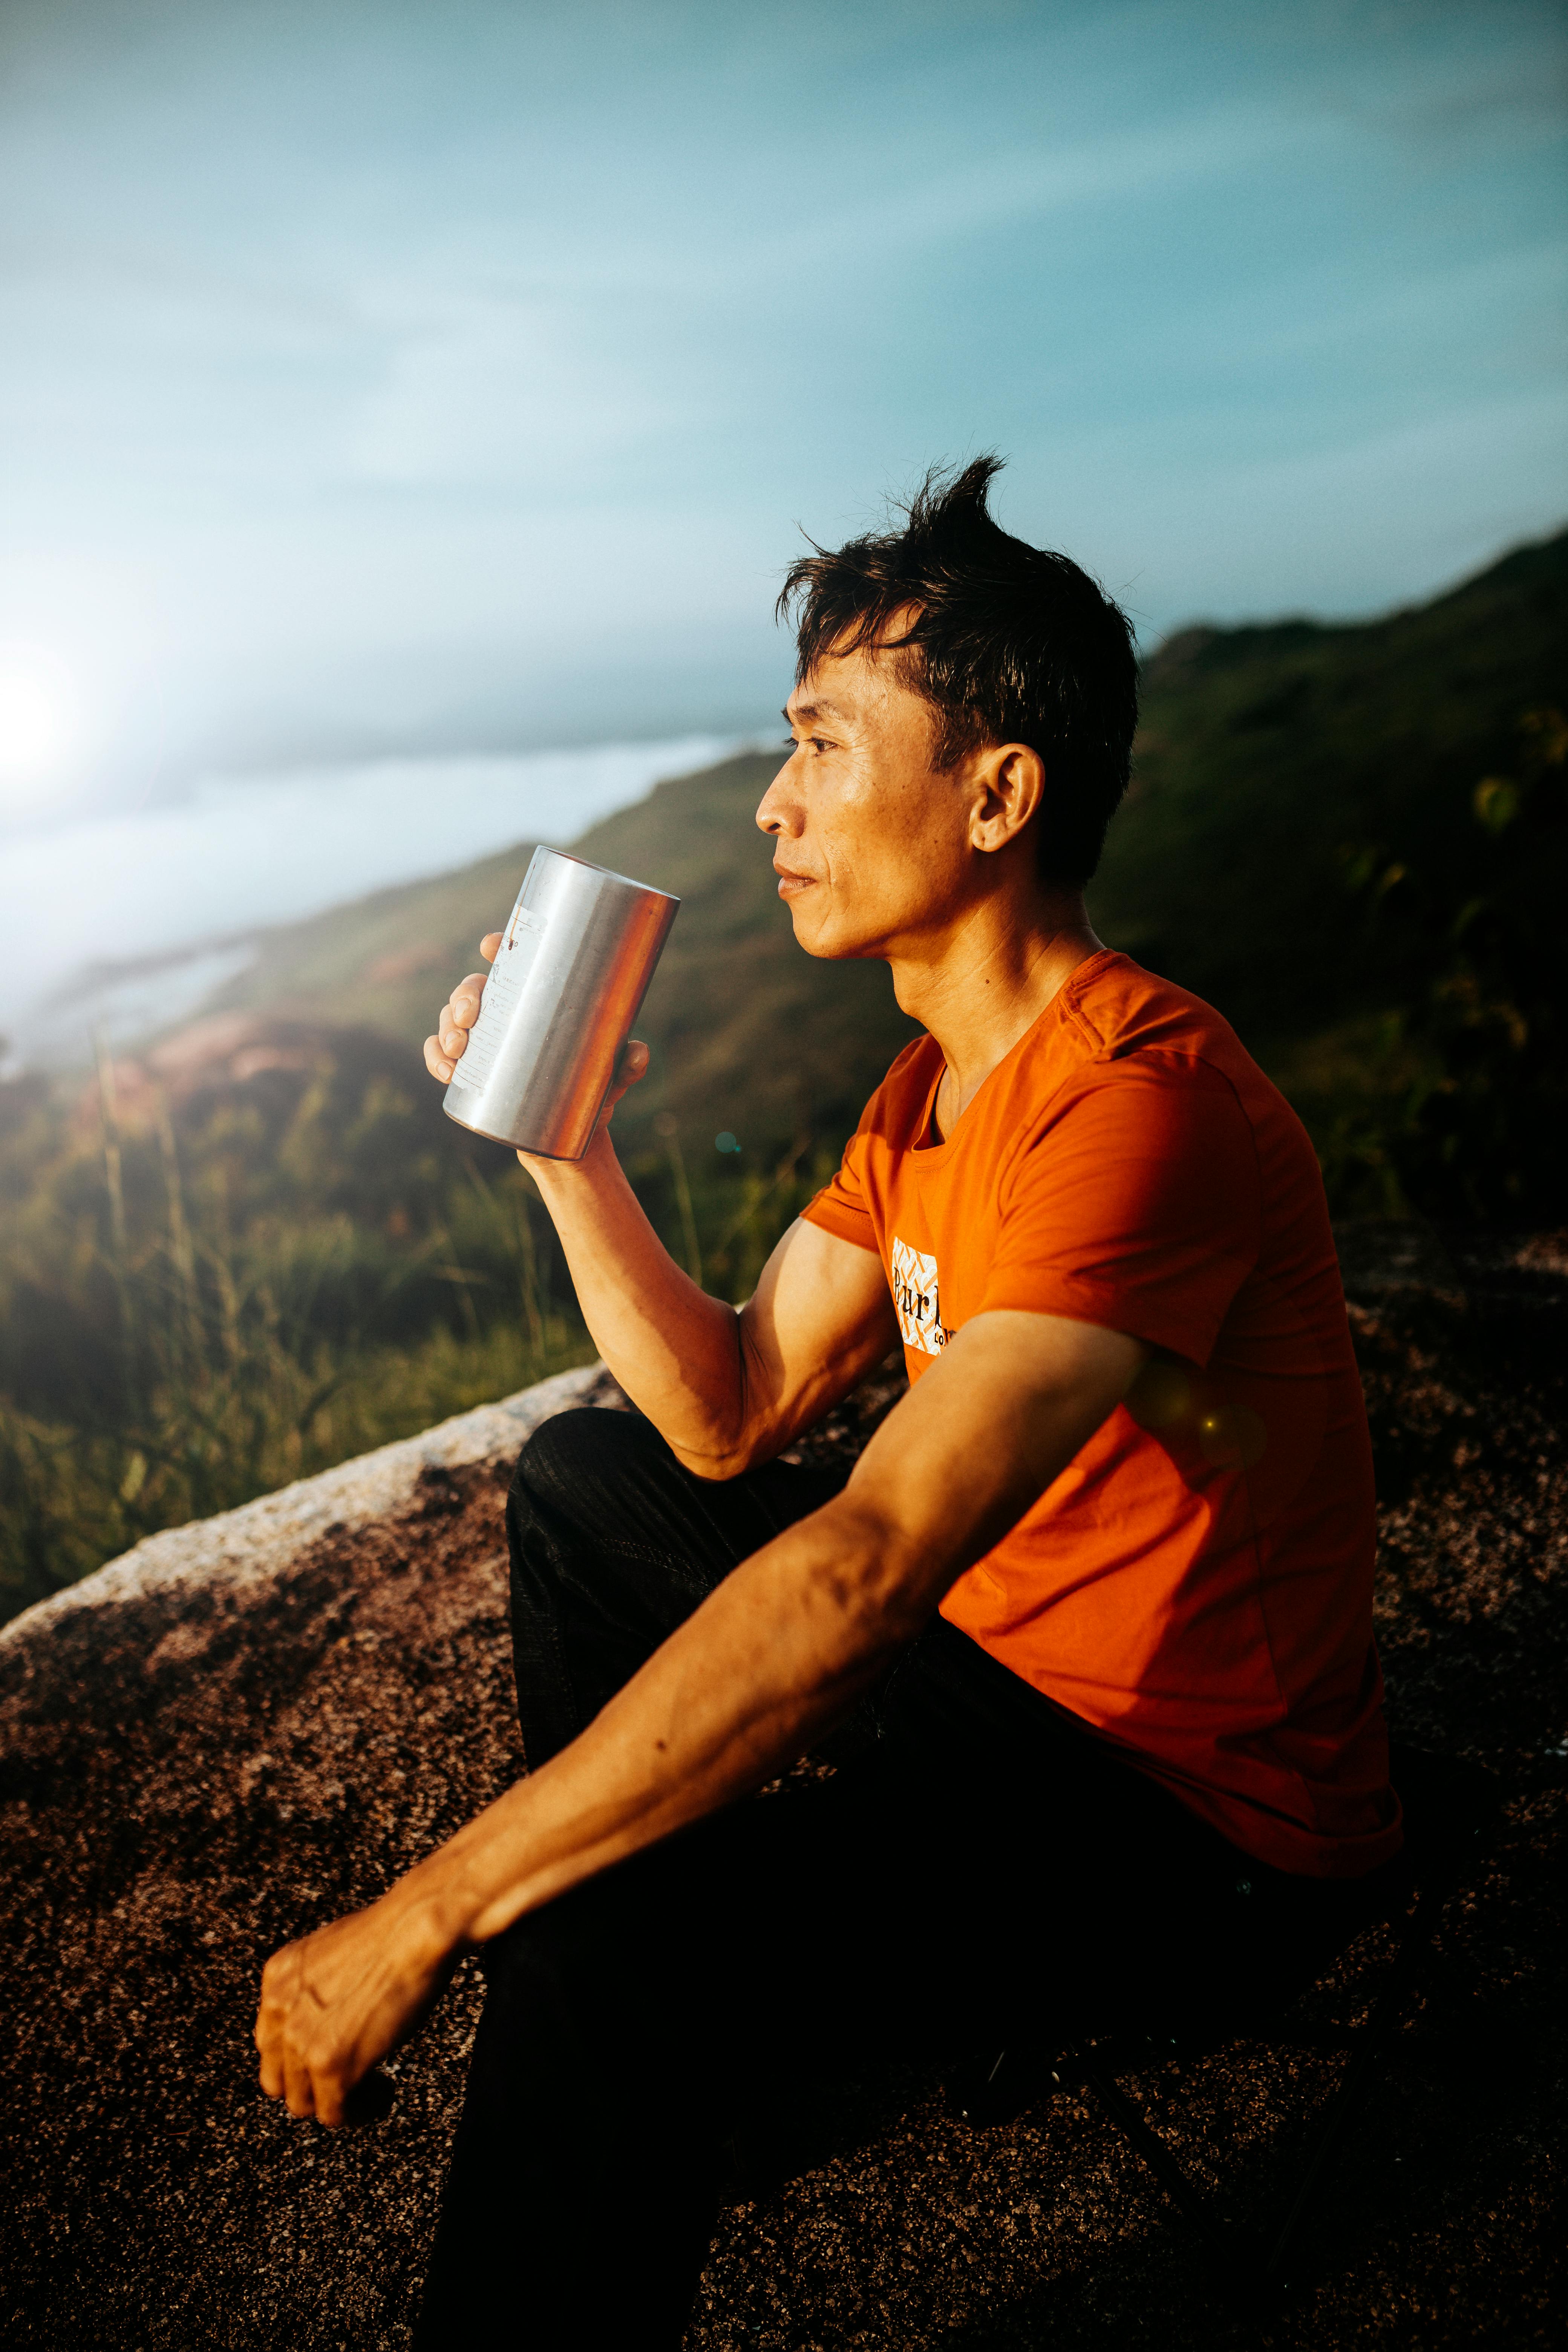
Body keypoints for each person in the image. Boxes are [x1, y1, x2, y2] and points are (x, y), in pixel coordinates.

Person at [254, 457, 1401, 2345]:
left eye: (820, 747)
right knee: (585, 1481)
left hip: (1188, 1822)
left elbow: (866, 1563)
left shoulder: (1134, 1105)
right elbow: (730, 1412)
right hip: (999, 1697)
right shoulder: (925, 1092)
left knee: (595, 1942)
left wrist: (433, 1905)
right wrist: (566, 1145)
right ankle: (676, 1936)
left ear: (998, 793)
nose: (775, 808)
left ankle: (645, 1982)